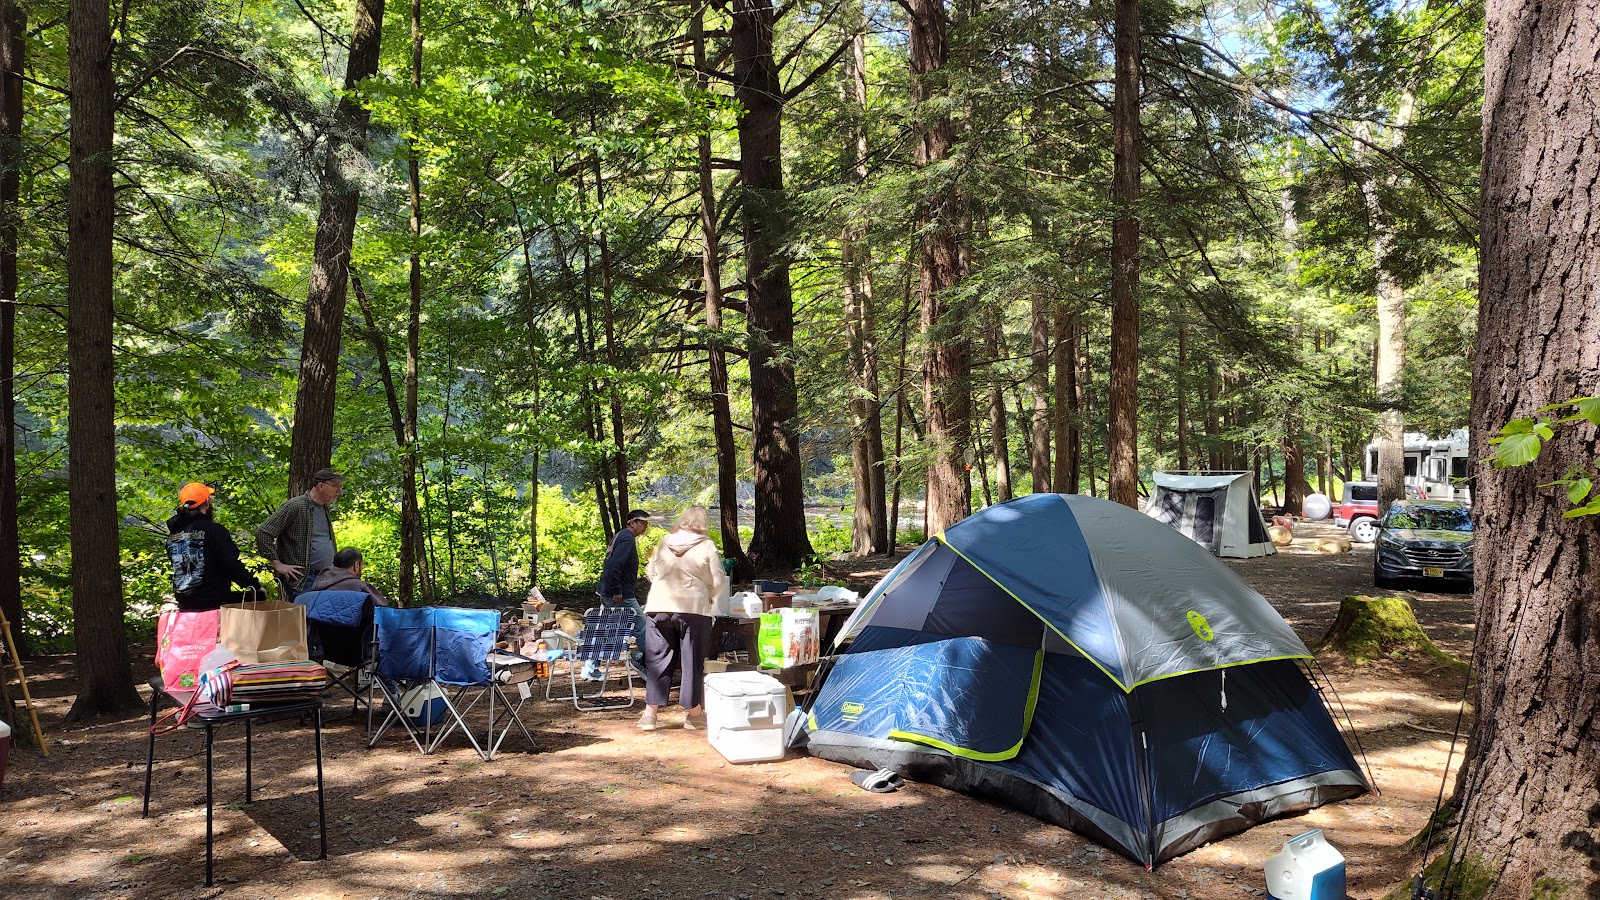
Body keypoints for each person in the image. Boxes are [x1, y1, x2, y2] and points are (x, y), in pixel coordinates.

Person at [637, 506, 726, 731]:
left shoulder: (663, 542)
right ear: (703, 523)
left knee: (657, 659)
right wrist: (709, 598)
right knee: (692, 661)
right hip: (693, 608)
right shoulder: (707, 546)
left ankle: (650, 715)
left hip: (659, 606)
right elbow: (718, 579)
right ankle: (694, 714)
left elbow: (651, 573)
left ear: (681, 520)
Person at [165, 482, 264, 611]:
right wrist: (255, 587)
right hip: (213, 602)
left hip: (185, 603)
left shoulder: (173, 536)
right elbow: (230, 565)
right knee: (258, 598)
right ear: (207, 502)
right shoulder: (214, 531)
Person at [583, 508, 651, 680]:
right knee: (642, 624)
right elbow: (614, 565)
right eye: (642, 522)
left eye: (646, 523)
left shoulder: (621, 535)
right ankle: (652, 665)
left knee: (604, 627)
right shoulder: (627, 538)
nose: (645, 526)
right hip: (619, 593)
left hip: (607, 590)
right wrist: (617, 590)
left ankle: (590, 667)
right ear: (632, 522)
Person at [255, 468, 344, 599]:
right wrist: (278, 565)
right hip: (304, 580)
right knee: (306, 617)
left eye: (340, 486)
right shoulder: (296, 506)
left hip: (326, 577)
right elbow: (263, 533)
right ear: (321, 486)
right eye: (335, 486)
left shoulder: (324, 507)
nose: (339, 491)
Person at [309, 547, 395, 607]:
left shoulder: (316, 587)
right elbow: (383, 610)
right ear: (356, 565)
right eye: (362, 564)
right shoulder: (361, 587)